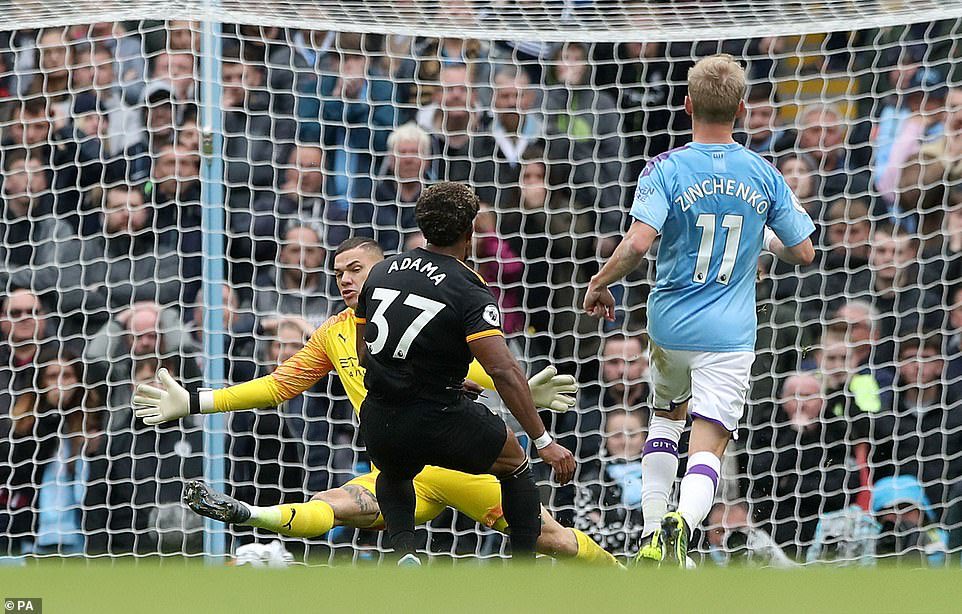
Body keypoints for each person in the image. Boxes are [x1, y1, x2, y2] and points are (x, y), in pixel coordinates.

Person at [133, 237, 619, 567]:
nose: (344, 280)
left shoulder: (421, 310)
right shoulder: (332, 334)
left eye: (355, 269)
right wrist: (195, 400)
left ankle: (623, 576)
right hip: (399, 468)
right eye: (337, 273)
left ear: (383, 269)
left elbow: (476, 367)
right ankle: (250, 518)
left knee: (548, 539)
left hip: (459, 464)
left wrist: (523, 392)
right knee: (330, 504)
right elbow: (278, 385)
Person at [583, 54, 815, 567]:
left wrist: (600, 281)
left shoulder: (664, 168)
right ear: (742, 107)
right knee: (708, 442)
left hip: (670, 325)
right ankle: (682, 526)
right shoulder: (764, 173)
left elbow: (638, 244)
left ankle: (648, 532)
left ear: (686, 105)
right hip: (730, 333)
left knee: (664, 422)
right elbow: (805, 252)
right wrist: (762, 242)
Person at [354, 182, 574, 564]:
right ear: (470, 229)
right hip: (438, 416)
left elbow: (364, 352)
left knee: (393, 470)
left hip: (379, 419)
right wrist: (544, 442)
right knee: (514, 459)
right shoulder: (468, 287)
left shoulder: (382, 271)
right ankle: (525, 571)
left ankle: (405, 553)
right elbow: (503, 370)